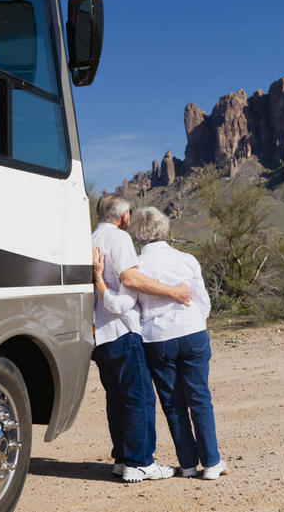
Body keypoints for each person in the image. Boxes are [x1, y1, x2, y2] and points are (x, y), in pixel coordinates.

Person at [94, 206, 227, 480]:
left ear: (137, 233)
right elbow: (202, 301)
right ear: (165, 229)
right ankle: (212, 463)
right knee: (200, 398)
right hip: (191, 333)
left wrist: (100, 282)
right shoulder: (187, 259)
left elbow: (125, 303)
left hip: (156, 340)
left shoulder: (136, 267)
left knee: (172, 403)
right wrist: (194, 325)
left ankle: (188, 465)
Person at [91, 194, 192, 483]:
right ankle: (140, 462)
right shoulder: (119, 239)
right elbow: (130, 282)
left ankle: (122, 458)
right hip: (122, 329)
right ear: (124, 217)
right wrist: (173, 292)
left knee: (117, 398)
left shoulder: (91, 237)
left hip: (99, 335)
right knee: (140, 398)